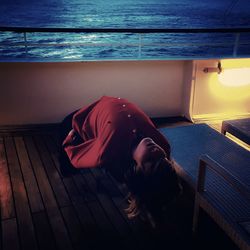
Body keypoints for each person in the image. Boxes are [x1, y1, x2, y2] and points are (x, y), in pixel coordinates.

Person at [60, 96, 182, 227]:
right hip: (99, 109)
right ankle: (150, 207)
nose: (156, 151)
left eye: (151, 161)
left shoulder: (106, 151)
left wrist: (68, 140)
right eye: (162, 158)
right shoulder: (162, 144)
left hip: (82, 118)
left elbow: (76, 157)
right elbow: (161, 174)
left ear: (137, 169)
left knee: (67, 167)